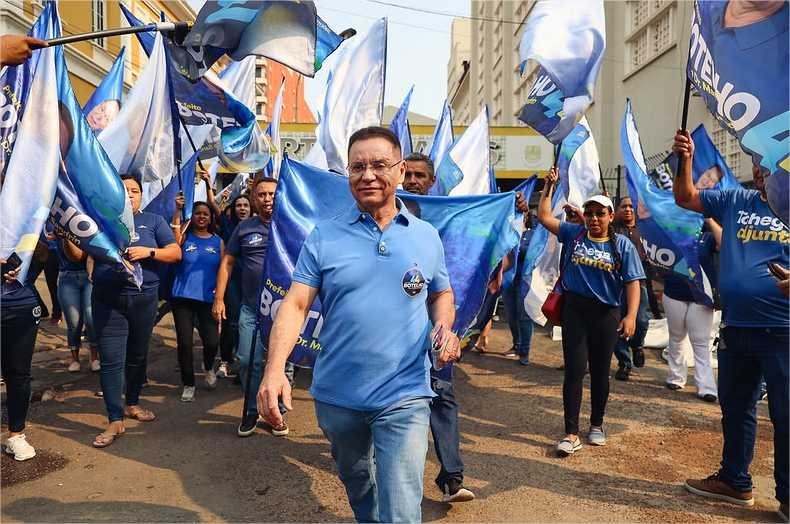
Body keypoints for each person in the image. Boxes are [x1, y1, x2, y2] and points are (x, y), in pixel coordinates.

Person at [259, 127, 460, 523]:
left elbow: (441, 294)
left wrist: (444, 327)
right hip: (338, 395)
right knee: (357, 480)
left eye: (379, 165)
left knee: (402, 502)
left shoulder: (426, 236)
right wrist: (274, 369)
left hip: (405, 392)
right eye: (357, 167)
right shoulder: (325, 236)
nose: (367, 174)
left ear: (400, 172)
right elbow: (296, 304)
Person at [673, 130, 789, 517]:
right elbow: (686, 198)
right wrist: (686, 159)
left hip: (783, 332)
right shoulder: (736, 200)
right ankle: (735, 481)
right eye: (757, 163)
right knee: (735, 407)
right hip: (737, 328)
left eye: (768, 164)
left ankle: (788, 497)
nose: (760, 170)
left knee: (786, 415)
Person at [537, 167, 645, 456]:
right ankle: (570, 433)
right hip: (575, 311)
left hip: (606, 314)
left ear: (611, 217)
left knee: (600, 372)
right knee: (574, 370)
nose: (595, 219)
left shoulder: (622, 245)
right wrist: (548, 187)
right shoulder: (574, 233)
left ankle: (596, 424)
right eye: (590, 213)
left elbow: (633, 282)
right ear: (584, 215)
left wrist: (631, 315)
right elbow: (544, 217)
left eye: (600, 214)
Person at [402, 152, 474, 502]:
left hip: (438, 323)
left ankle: (452, 478)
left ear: (431, 181)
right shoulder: (387, 212)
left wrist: (513, 211)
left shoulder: (451, 218)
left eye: (420, 176)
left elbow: (472, 252)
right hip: (396, 328)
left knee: (442, 397)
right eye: (409, 174)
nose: (413, 181)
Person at [90, 175, 181, 448]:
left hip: (144, 299)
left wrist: (148, 252)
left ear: (142, 195)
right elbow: (80, 254)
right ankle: (114, 418)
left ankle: (132, 403)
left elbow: (175, 252)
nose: (130, 195)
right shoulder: (101, 222)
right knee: (111, 359)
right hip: (108, 300)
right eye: (124, 191)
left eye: (134, 190)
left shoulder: (154, 221)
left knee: (137, 355)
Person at [213, 176, 293, 437]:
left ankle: (275, 413)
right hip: (251, 309)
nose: (268, 199)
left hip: (284, 310)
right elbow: (227, 263)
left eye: (272, 194)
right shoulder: (245, 228)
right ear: (254, 198)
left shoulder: (291, 226)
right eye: (262, 195)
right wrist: (219, 298)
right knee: (248, 361)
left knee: (279, 362)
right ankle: (251, 411)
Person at [170, 198, 224, 402]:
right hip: (182, 298)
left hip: (207, 299)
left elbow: (223, 270)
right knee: (184, 343)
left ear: (210, 218)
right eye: (197, 213)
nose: (201, 216)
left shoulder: (218, 241)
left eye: (205, 214)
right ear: (192, 217)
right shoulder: (184, 238)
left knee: (212, 341)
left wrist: (220, 296)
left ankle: (209, 366)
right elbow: (173, 242)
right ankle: (188, 384)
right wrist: (177, 210)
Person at [662, 218, 721, 402]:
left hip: (702, 296)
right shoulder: (670, 231)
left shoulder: (708, 235)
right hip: (674, 291)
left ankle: (706, 386)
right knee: (676, 336)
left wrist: (709, 219)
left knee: (701, 342)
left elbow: (724, 244)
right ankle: (676, 377)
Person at [1, 259, 42, 460]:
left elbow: (45, 258)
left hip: (22, 306)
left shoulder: (26, 225)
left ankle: (16, 435)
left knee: (18, 373)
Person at [612, 196, 656, 381]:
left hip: (640, 284)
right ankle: (624, 363)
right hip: (616, 286)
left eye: (631, 206)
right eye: (624, 206)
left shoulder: (646, 230)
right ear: (617, 210)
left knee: (641, 320)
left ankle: (638, 345)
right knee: (617, 325)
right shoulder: (612, 230)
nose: (628, 209)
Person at [216, 194, 251, 379]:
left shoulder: (259, 227)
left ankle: (243, 364)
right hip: (233, 283)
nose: (242, 208)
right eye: (238, 205)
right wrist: (206, 183)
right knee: (233, 324)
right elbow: (214, 207)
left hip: (253, 284)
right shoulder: (229, 227)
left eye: (246, 204)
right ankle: (227, 360)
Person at [57, 236, 99, 373]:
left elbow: (80, 256)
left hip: (90, 275)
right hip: (67, 277)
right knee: (73, 322)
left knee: (91, 318)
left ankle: (94, 357)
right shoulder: (53, 222)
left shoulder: (87, 219)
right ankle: (75, 358)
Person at [502, 212, 536, 366]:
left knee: (524, 316)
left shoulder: (533, 235)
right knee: (511, 315)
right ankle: (517, 344)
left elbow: (531, 254)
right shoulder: (507, 233)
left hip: (525, 281)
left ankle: (525, 351)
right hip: (509, 281)